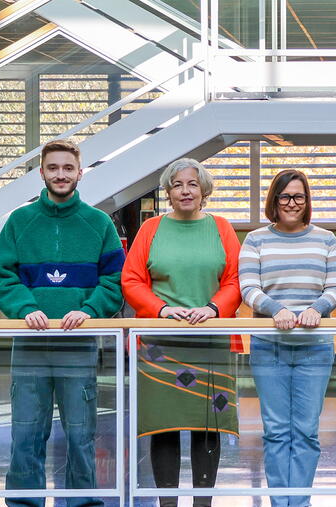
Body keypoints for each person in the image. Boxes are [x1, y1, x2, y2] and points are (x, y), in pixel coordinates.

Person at [0, 139, 124, 507]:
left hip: (77, 346)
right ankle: (23, 503)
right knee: (26, 433)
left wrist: (91, 310)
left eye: (68, 168)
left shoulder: (99, 224)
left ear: (80, 172)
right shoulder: (19, 221)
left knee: (81, 433)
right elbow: (2, 276)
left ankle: (82, 502)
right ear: (42, 173)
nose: (60, 174)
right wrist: (24, 307)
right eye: (53, 168)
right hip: (29, 345)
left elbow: (115, 280)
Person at [121, 158, 242, 507]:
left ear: (203, 190)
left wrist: (213, 308)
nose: (185, 190)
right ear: (168, 192)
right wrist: (161, 309)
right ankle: (167, 503)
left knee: (208, 424)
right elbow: (131, 280)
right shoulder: (151, 229)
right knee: (165, 424)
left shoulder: (221, 227)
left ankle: (203, 502)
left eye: (192, 184)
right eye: (177, 185)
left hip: (211, 337)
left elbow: (235, 278)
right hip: (162, 340)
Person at [239, 169, 336, 507]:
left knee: (306, 431)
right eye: (284, 197)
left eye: (299, 196)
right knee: (275, 431)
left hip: (315, 348)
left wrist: (317, 308)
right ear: (274, 200)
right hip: (269, 346)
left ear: (307, 200)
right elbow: (248, 288)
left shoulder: (326, 239)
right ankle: (279, 501)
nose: (292, 203)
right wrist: (275, 310)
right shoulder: (255, 239)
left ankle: (298, 502)